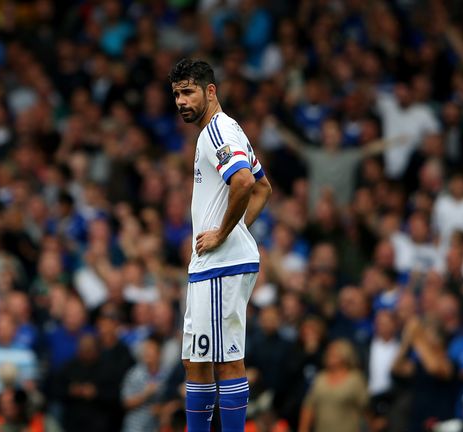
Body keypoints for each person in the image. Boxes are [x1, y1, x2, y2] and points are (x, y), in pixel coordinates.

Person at [169, 58, 272, 432]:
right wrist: (235, 229)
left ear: (210, 91)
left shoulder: (217, 130)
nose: (181, 101)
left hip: (221, 265)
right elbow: (264, 187)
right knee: (195, 361)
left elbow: (244, 182)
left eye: (188, 91)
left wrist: (223, 233)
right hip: (214, 264)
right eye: (177, 94)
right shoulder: (225, 130)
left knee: (225, 360)